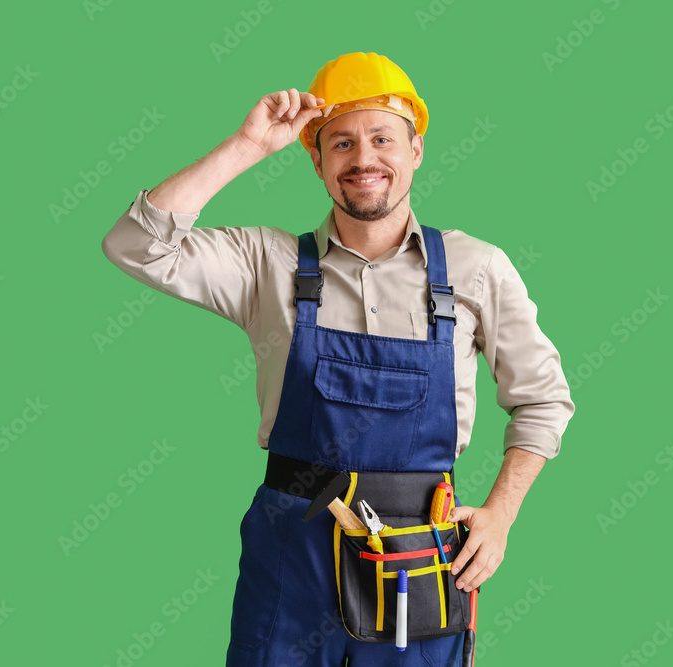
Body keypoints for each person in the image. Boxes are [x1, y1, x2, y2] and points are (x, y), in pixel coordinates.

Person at [101, 51, 575, 666]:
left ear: (417, 151)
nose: (364, 159)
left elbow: (543, 399)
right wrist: (247, 145)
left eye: (383, 138)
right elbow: (134, 245)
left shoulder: (475, 269)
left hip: (421, 560)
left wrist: (501, 514)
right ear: (319, 162)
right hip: (290, 550)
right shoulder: (263, 264)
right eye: (341, 144)